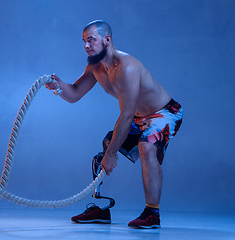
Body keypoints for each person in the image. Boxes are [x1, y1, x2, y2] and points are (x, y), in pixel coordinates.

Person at [45, 20, 183, 229]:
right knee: (108, 144)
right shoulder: (94, 67)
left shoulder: (127, 67)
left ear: (107, 40)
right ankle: (101, 208)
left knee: (146, 146)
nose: (86, 46)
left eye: (91, 40)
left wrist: (112, 155)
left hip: (164, 112)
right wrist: (59, 86)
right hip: (138, 117)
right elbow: (74, 94)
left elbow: (126, 115)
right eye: (84, 41)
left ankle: (152, 213)